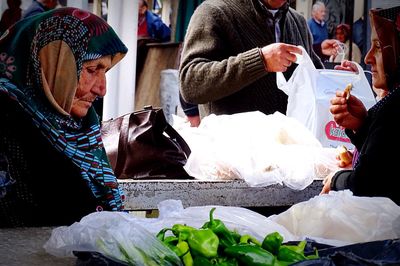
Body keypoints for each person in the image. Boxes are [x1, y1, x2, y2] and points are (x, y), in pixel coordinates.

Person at [0, 7, 128, 227]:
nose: (102, 89)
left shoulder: (77, 125)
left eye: (104, 71)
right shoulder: (8, 122)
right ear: (51, 64)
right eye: (91, 69)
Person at [179, 0, 338, 118]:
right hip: (230, 155)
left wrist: (340, 78)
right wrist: (260, 60)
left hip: (288, 152)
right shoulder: (214, 12)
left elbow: (313, 78)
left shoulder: (298, 22)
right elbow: (190, 83)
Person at [321, 6, 400, 205]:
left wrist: (337, 179)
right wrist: (363, 125)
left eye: (379, 47)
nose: (368, 58)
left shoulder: (394, 108)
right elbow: (387, 163)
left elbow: (368, 184)